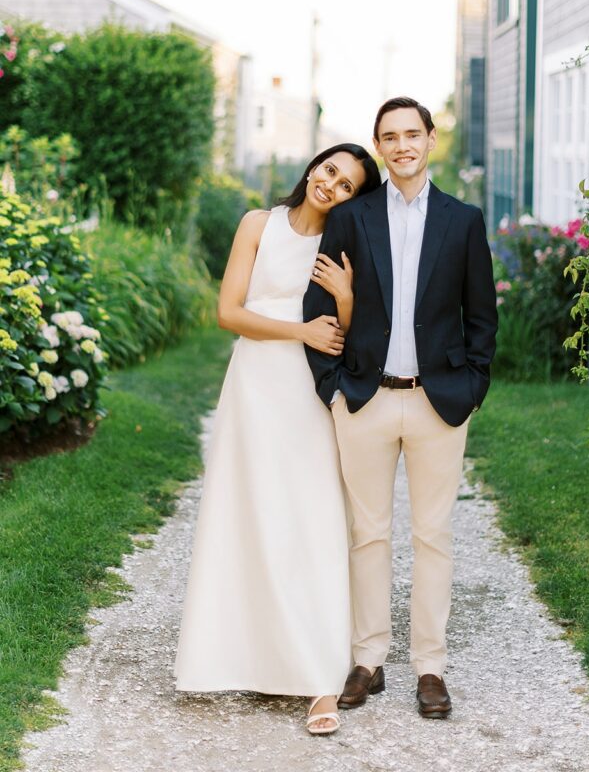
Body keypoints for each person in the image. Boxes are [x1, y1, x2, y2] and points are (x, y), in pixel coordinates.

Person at [174, 143, 381, 736]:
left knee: (312, 521)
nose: (332, 186)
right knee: (245, 515)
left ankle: (320, 680)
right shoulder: (257, 223)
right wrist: (299, 330)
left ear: (354, 199)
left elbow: (353, 332)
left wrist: (344, 297)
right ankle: (235, 657)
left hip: (309, 393)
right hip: (253, 387)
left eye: (347, 186)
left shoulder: (344, 246)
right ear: (315, 166)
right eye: (330, 171)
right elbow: (228, 312)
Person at [303, 97, 497, 720]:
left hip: (439, 402)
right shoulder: (352, 217)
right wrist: (332, 384)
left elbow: (481, 319)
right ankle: (368, 659)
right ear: (379, 146)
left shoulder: (463, 221)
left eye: (412, 134)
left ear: (430, 140)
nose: (402, 145)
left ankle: (431, 668)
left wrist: (470, 391)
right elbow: (320, 303)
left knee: (433, 535)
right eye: (390, 137)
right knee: (369, 534)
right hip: (364, 399)